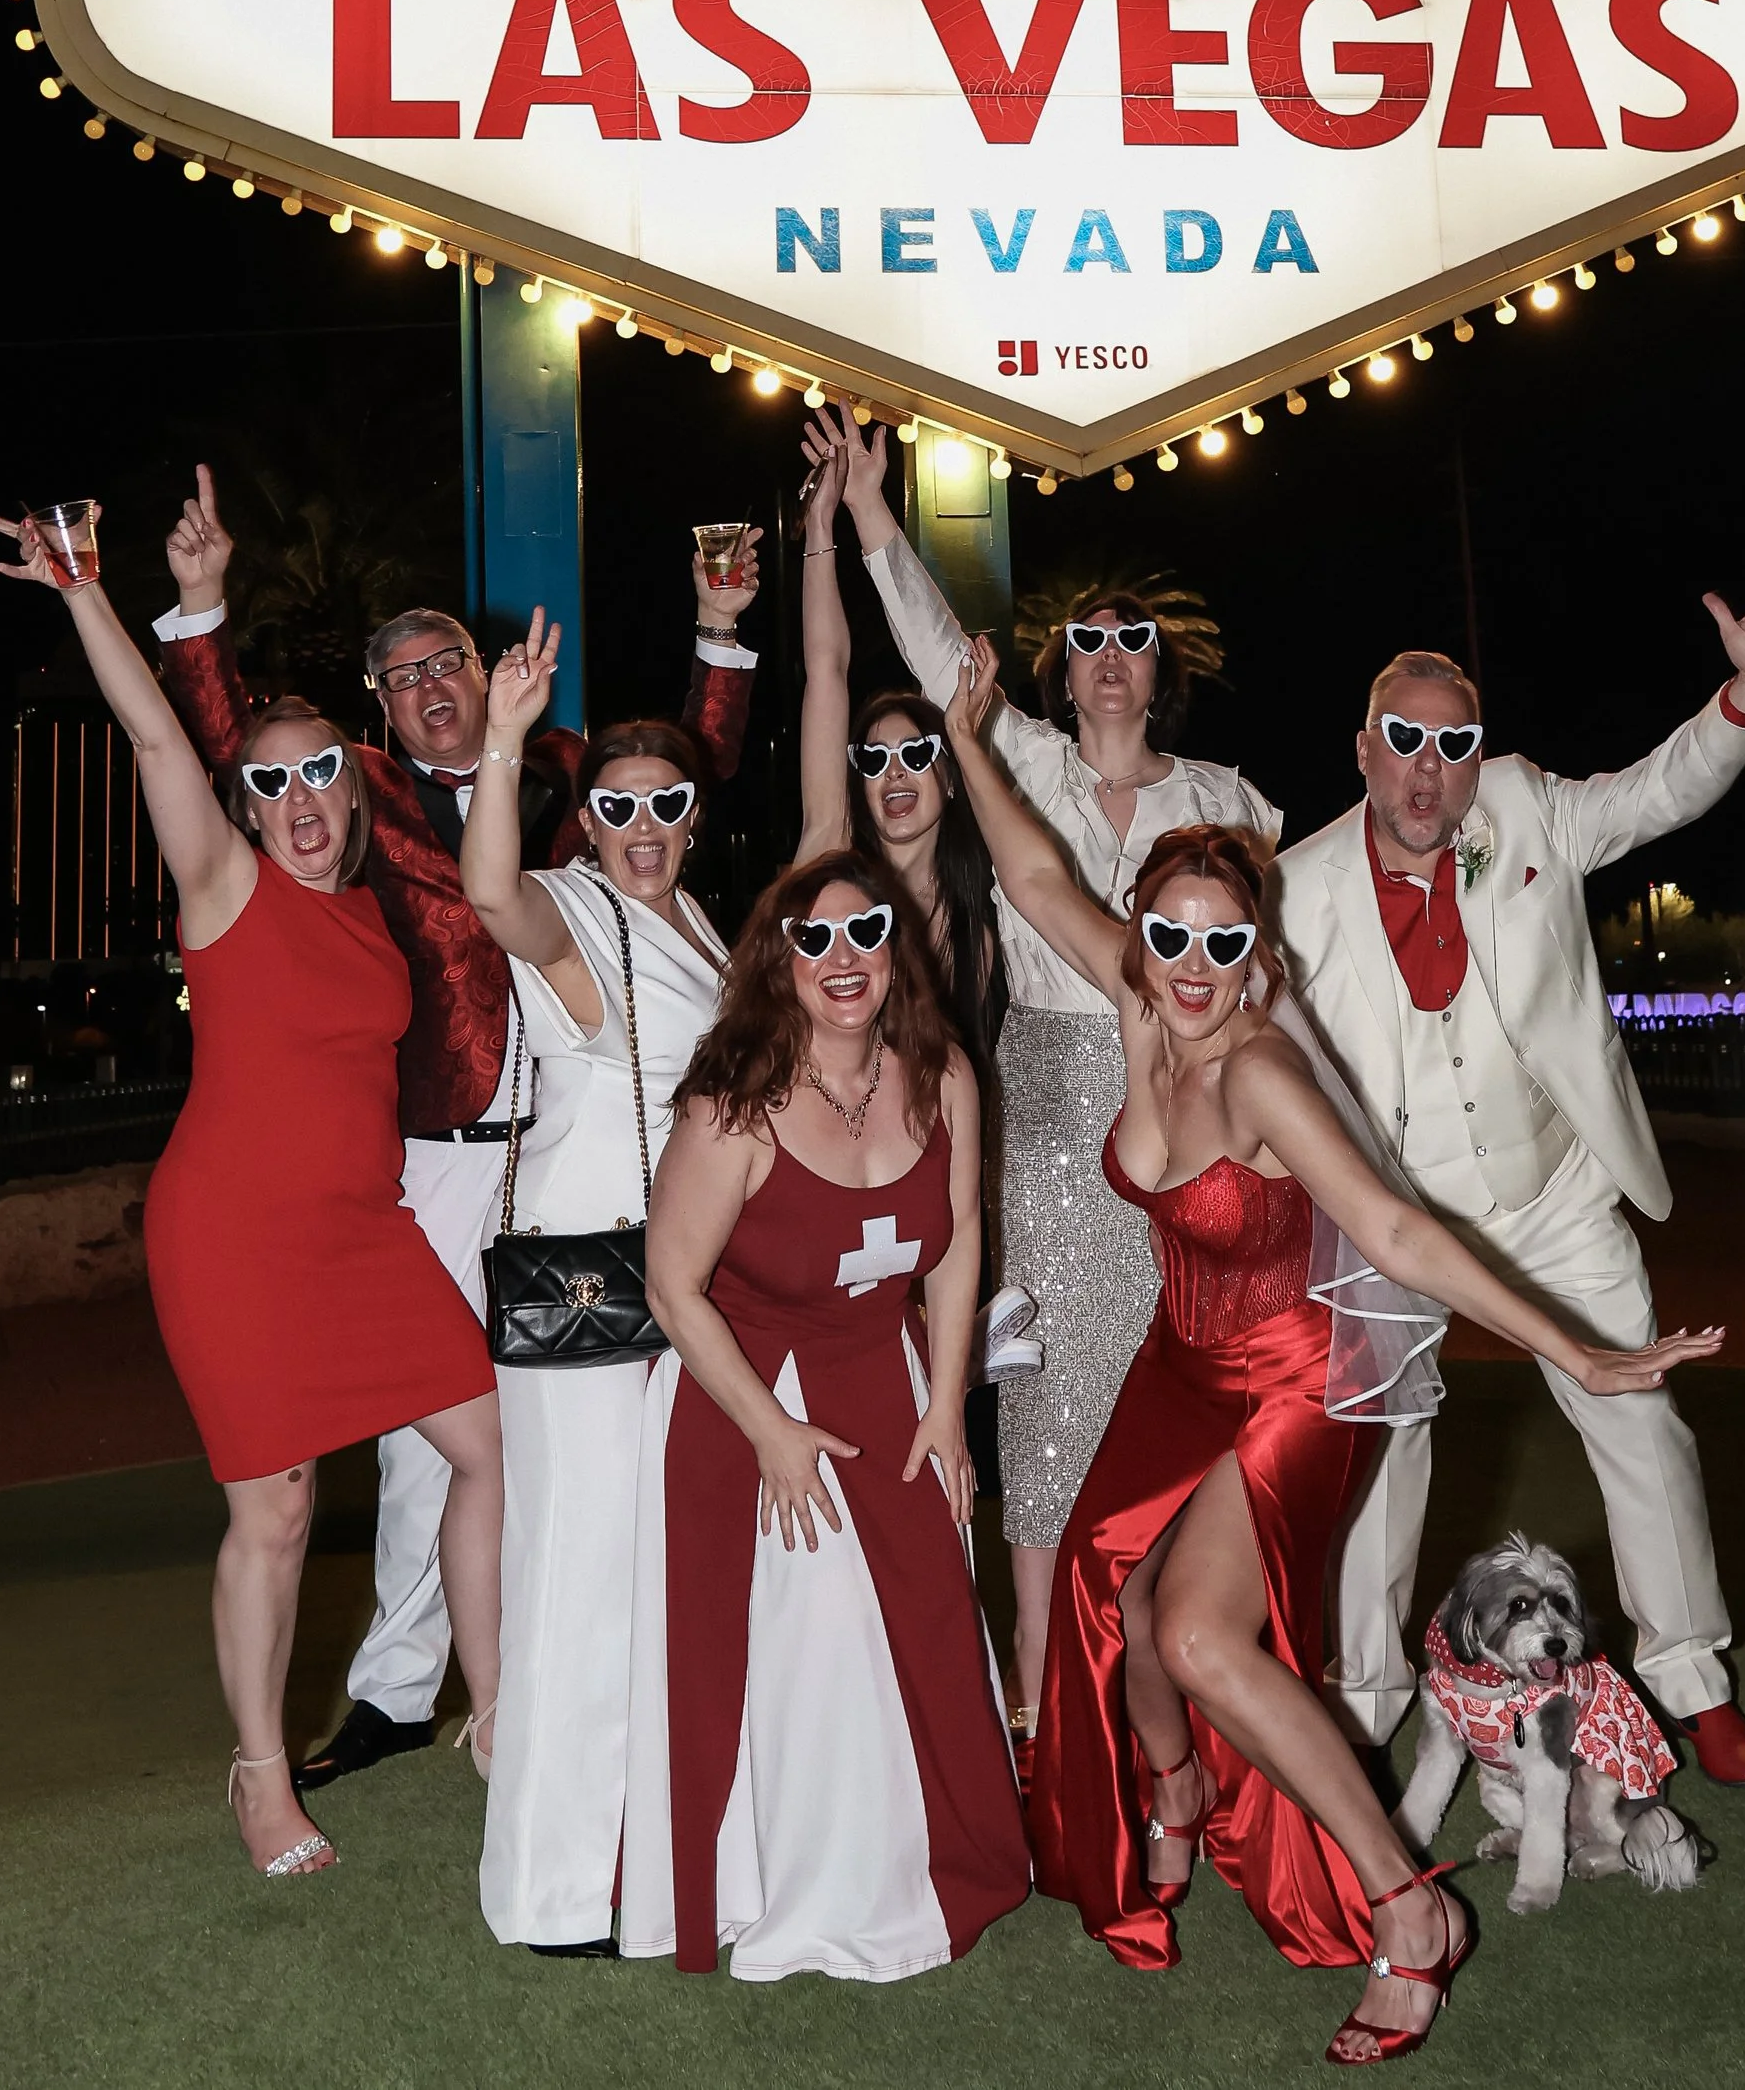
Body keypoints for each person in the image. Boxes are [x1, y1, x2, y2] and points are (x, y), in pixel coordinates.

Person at [941, 639, 1721, 2061]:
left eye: (1222, 944)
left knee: (1191, 1629)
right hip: (1185, 1361)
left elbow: (1403, 1237)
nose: (1189, 967)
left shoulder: (1260, 1068)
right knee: (1115, 1611)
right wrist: (969, 742)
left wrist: (1581, 1351)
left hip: (1304, 1379)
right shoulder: (1138, 1005)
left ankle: (1408, 1907)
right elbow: (1041, 881)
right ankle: (1174, 1790)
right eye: (1167, 938)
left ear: (1264, 957)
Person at [154, 466, 757, 1794]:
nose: (433, 684)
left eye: (449, 662)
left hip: (558, 1159)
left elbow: (685, 772)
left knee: (548, 1415)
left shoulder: (556, 770)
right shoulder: (341, 791)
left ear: (487, 677)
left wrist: (722, 629)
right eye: (406, 672)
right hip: (423, 1159)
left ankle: (569, 1664)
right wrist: (198, 611)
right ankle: (390, 1690)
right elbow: (216, 756)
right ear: (381, 703)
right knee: (416, 1437)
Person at [0, 510, 503, 1883]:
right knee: (272, 1511)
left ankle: (499, 1709)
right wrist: (93, 592)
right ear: (249, 805)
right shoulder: (224, 892)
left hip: (367, 1230)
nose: (306, 797)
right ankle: (261, 1775)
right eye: (274, 781)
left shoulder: (376, 902)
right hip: (236, 1238)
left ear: (353, 774)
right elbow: (158, 736)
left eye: (325, 768)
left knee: (491, 1447)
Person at [1273, 564, 1745, 1793]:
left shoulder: (1523, 809)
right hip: (1395, 1216)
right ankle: (1360, 1704)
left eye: (1451, 743)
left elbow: (1654, 793)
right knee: (1379, 1454)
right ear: (1363, 749)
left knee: (1641, 1416)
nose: (1428, 767)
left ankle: (1694, 1678)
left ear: (1478, 755)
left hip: (1551, 1191)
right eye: (1403, 739)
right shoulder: (1293, 889)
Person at [829, 418, 1279, 1756]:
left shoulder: (1228, 795)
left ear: (1162, 665)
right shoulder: (1015, 760)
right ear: (1056, 670)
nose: (1108, 658)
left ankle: (1177, 1717)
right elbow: (923, 647)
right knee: (1045, 1419)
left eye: (1131, 636)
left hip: (1187, 1123)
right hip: (1043, 1113)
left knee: (1183, 1408)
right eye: (1084, 638)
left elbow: (1272, 979)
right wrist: (869, 515)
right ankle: (1041, 1732)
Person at [619, 851, 1031, 1983]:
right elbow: (670, 1287)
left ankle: (932, 1864)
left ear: (896, 945)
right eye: (813, 939)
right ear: (778, 962)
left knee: (932, 1615)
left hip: (885, 1379)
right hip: (743, 1394)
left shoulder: (942, 1072)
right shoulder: (735, 1100)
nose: (841, 958)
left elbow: (952, 1255)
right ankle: (787, 1885)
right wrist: (770, 1433)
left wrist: (946, 1402)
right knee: (812, 1641)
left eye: (864, 932)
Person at [456, 614, 729, 1957]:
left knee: (653, 1572)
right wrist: (504, 741)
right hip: (589, 1283)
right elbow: (492, 897)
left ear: (692, 814)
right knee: (572, 1572)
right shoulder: (574, 907)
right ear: (589, 814)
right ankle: (553, 1887)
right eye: (616, 804)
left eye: (666, 803)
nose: (641, 824)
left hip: (687, 1289)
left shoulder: (706, 926)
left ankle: (644, 1854)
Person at [795, 405, 1001, 1067]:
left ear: (949, 773)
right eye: (874, 759)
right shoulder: (830, 864)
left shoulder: (989, 917)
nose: (894, 772)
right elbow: (826, 668)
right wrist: (821, 525)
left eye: (916, 754)